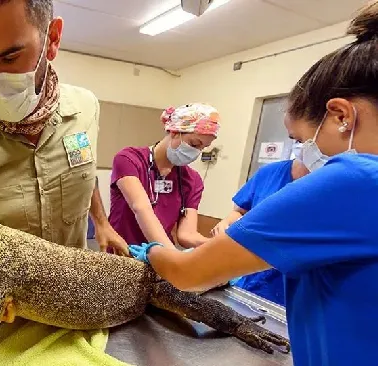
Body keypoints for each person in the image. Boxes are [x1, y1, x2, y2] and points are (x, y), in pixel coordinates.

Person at [128, 3, 378, 364]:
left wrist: (150, 251)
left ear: (341, 115)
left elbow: (189, 273)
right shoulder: (133, 159)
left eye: (304, 139)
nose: (304, 153)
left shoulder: (354, 180)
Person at [0, 0, 128, 320]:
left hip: (80, 295)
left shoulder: (86, 108)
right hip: (9, 311)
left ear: (53, 38)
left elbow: (85, 168)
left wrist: (102, 222)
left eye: (10, 56)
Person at [109, 103, 219, 250]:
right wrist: (172, 254)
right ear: (174, 131)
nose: (196, 152)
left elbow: (187, 235)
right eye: (194, 144)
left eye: (202, 148)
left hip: (160, 259)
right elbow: (141, 208)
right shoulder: (129, 159)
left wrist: (220, 245)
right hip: (123, 253)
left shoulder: (192, 180)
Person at [211, 143, 309, 305]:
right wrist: (227, 224)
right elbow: (239, 211)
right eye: (296, 138)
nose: (303, 143)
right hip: (252, 286)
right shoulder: (269, 173)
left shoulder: (341, 187)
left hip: (299, 299)